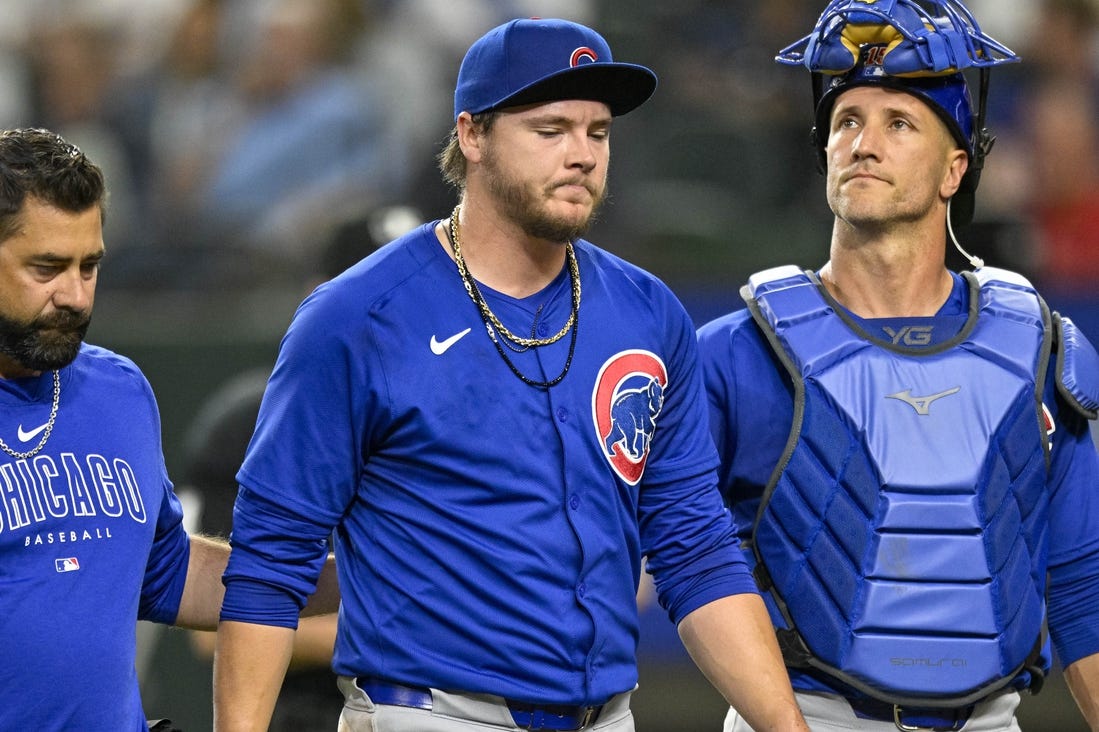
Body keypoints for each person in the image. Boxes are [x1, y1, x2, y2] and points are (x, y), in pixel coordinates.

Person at [214, 17, 809, 732]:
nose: (583, 155)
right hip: (433, 713)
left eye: (598, 132)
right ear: (471, 135)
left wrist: (785, 726)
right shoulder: (356, 317)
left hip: (608, 714)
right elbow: (271, 560)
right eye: (550, 129)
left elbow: (693, 548)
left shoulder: (648, 313)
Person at [696, 1, 1099, 730]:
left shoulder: (1035, 345)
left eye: (898, 122)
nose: (863, 143)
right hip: (805, 714)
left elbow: (1079, 581)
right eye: (846, 120)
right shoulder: (735, 351)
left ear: (954, 169)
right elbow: (681, 567)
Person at [0, 126, 337, 732]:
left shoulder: (118, 391)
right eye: (47, 268)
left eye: (90, 266)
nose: (75, 296)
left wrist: (355, 576)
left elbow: (169, 573)